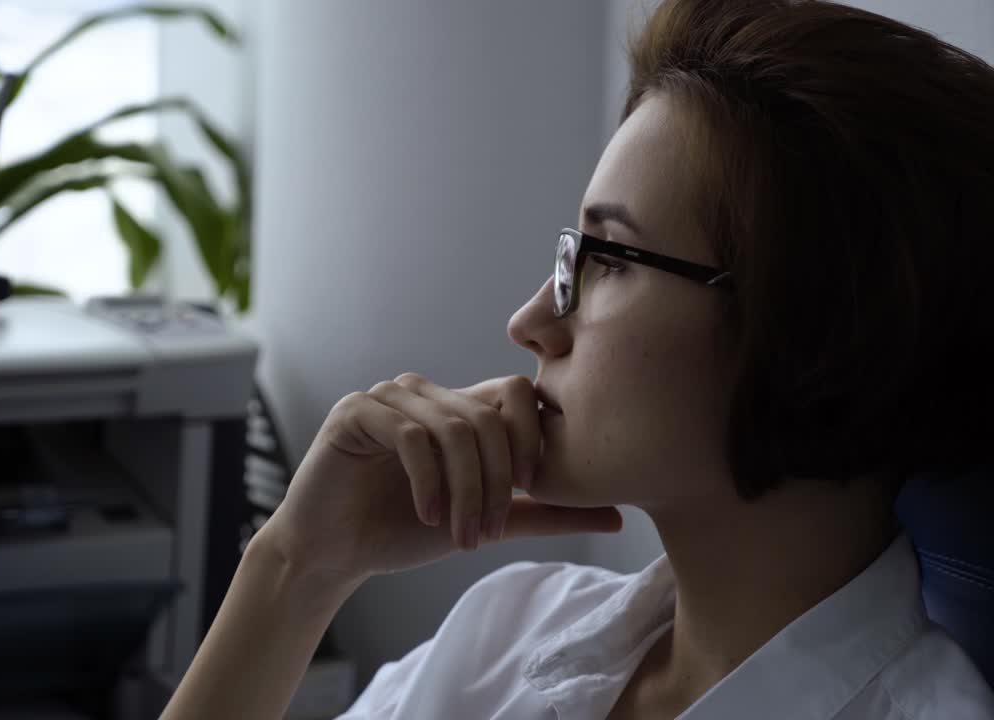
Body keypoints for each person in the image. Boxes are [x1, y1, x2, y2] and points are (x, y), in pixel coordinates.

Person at [160, 0, 994, 717]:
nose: (531, 323)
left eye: (615, 260)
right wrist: (297, 567)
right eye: (573, 258)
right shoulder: (507, 633)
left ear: (817, 329)